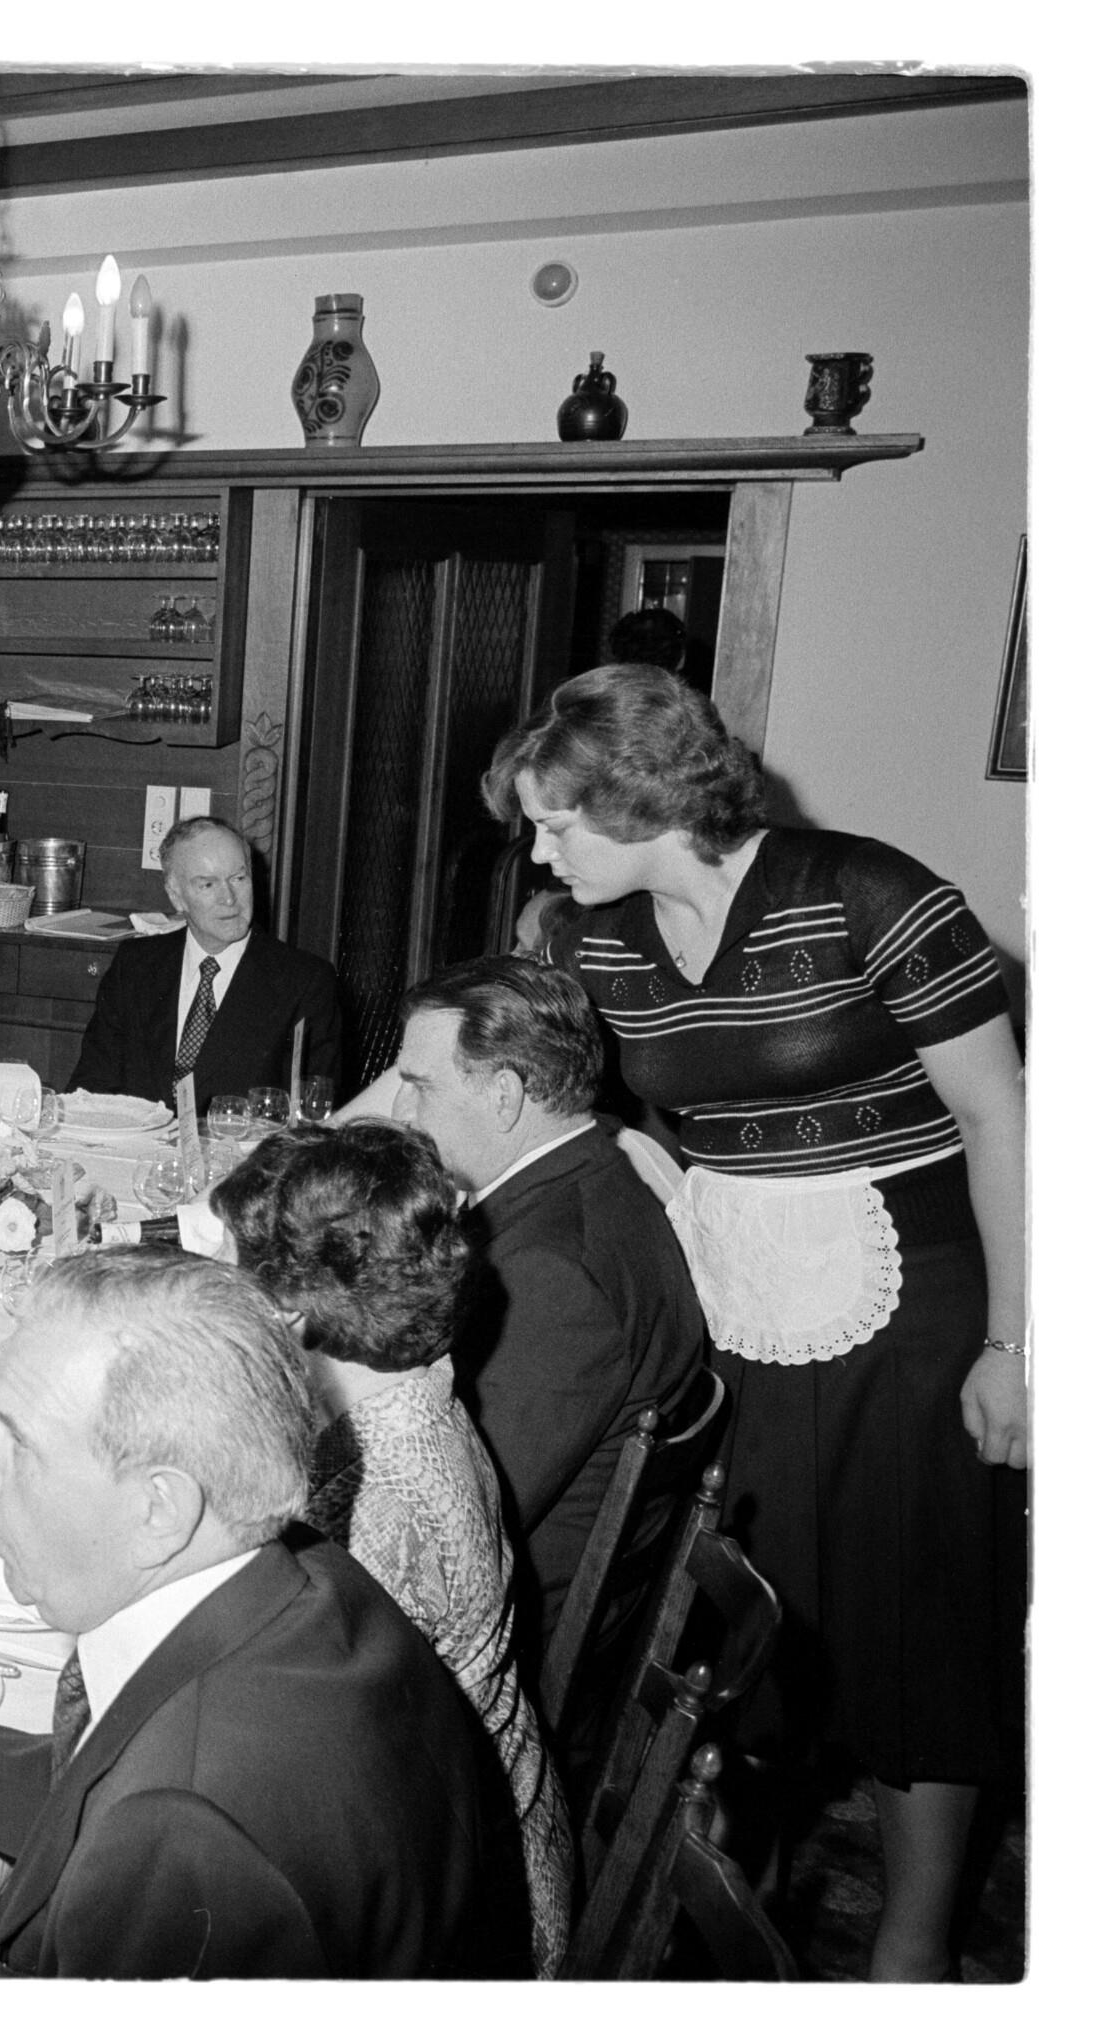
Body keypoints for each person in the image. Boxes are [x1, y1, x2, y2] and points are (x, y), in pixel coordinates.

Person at [488, 661, 1026, 1981]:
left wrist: (1019, 1345)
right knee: (747, 1607)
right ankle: (734, 1893)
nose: (540, 851)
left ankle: (913, 1945)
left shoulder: (870, 894)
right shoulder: (592, 940)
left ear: (644, 799)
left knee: (912, 1615)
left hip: (915, 1295)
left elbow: (1002, 1118)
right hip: (739, 1291)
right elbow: (540, 1085)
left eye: (556, 822)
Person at [0, 1249, 531, 1978]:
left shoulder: (191, 1834)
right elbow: (90, 1793)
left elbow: (148, 1827)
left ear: (160, 1509)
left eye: (18, 1442)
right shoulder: (302, 1576)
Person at [210, 1120, 573, 1974]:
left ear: (290, 1315)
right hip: (447, 1813)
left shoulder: (390, 1502)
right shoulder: (402, 1395)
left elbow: (303, 1786)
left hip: (460, 1911)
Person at [385, 956, 716, 1692]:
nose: (403, 1112)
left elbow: (451, 1528)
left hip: (496, 1653)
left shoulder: (555, 1273)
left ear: (505, 1096)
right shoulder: (592, 1181)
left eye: (420, 1085)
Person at [67, 817, 344, 1109]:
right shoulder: (136, 966)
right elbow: (90, 1089)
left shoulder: (304, 983)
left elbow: (312, 1116)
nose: (229, 898)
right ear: (176, 896)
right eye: (208, 884)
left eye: (239, 879)